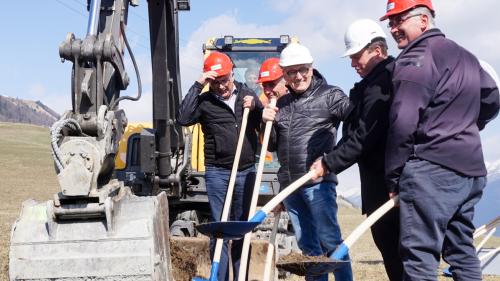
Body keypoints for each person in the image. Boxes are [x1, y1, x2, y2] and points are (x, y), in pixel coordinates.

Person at [379, 0, 500, 280]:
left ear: (423, 20)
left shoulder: (415, 57)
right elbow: (492, 97)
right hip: (469, 171)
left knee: (419, 255)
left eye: (399, 20)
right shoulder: (467, 57)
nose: (393, 28)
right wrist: (468, 124)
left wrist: (394, 176)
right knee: (461, 251)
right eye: (391, 22)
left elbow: (402, 122)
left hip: (431, 171)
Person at [310, 18, 402, 281]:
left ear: (377, 50)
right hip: (377, 188)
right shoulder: (366, 87)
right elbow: (351, 134)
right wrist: (328, 158)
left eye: (356, 56)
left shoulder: (387, 82)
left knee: (404, 258)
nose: (353, 64)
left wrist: (329, 163)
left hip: (393, 187)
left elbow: (366, 135)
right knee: (391, 256)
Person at [262, 43, 353, 281]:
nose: (298, 76)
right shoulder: (282, 103)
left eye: (303, 69)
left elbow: (357, 126)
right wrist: (266, 121)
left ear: (312, 68)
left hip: (318, 183)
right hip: (291, 186)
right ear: (284, 74)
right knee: (308, 246)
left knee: (331, 241)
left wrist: (333, 159)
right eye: (291, 72)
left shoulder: (331, 95)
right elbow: (272, 146)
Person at [176, 51, 263, 281]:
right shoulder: (205, 101)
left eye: (224, 80)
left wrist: (255, 106)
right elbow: (183, 118)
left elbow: (264, 120)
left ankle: (240, 277)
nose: (221, 86)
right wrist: (198, 83)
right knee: (221, 229)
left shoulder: (246, 94)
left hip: (245, 171)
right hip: (218, 173)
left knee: (243, 229)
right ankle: (220, 278)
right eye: (215, 82)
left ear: (232, 74)